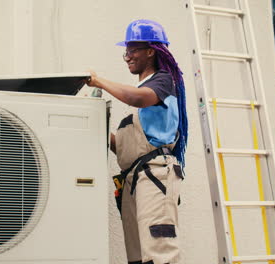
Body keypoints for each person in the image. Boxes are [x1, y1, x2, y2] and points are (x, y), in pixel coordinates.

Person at [86, 19, 188, 264]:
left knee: (159, 250)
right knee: (137, 255)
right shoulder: (143, 91)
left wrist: (99, 81)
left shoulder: (163, 81)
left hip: (156, 176)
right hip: (134, 178)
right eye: (126, 52)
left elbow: (136, 98)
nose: (128, 56)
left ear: (151, 51)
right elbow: (124, 147)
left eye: (133, 50)